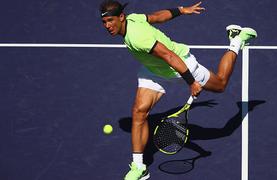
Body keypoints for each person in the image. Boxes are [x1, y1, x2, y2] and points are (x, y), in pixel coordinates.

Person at [99, 1, 257, 179]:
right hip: (154, 71)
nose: (108, 26)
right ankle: (138, 167)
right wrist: (181, 10)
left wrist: (191, 82)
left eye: (110, 21)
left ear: (121, 17)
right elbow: (156, 17)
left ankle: (235, 40)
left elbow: (169, 55)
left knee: (220, 84)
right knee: (139, 112)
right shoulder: (133, 19)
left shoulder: (137, 38)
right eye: (104, 23)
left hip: (180, 65)